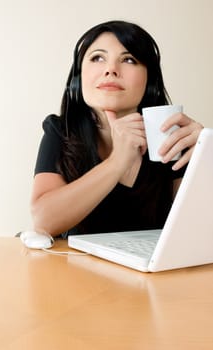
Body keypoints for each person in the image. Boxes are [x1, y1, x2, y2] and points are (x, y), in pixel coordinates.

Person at [31, 20, 203, 238]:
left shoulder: (170, 136)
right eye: (97, 58)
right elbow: (43, 221)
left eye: (129, 59)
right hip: (76, 270)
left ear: (149, 81)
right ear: (78, 78)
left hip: (152, 271)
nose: (111, 69)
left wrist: (206, 161)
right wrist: (117, 162)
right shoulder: (61, 130)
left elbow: (198, 232)